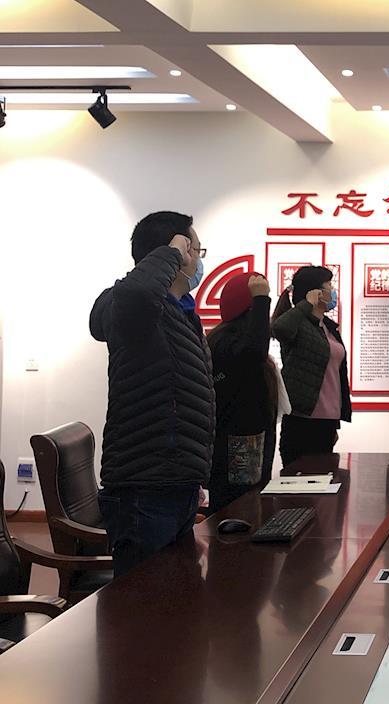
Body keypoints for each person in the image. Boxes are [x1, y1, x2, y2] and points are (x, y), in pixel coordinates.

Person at [90, 211, 213, 577]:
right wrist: (171, 251)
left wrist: (194, 473)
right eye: (196, 249)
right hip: (145, 488)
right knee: (144, 603)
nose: (200, 260)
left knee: (177, 596)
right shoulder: (132, 307)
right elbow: (139, 292)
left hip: (176, 482)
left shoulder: (179, 313)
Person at [207, 272, 286, 513]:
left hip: (248, 444)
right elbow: (253, 354)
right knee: (238, 512)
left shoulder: (228, 341)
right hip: (238, 447)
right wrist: (261, 299)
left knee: (250, 508)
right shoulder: (224, 344)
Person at [271, 266, 351, 467]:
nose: (333, 291)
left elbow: (333, 378)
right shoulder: (299, 323)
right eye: (329, 285)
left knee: (325, 480)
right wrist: (305, 305)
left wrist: (335, 423)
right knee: (299, 482)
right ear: (316, 293)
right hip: (302, 420)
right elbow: (280, 328)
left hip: (327, 421)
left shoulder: (328, 327)